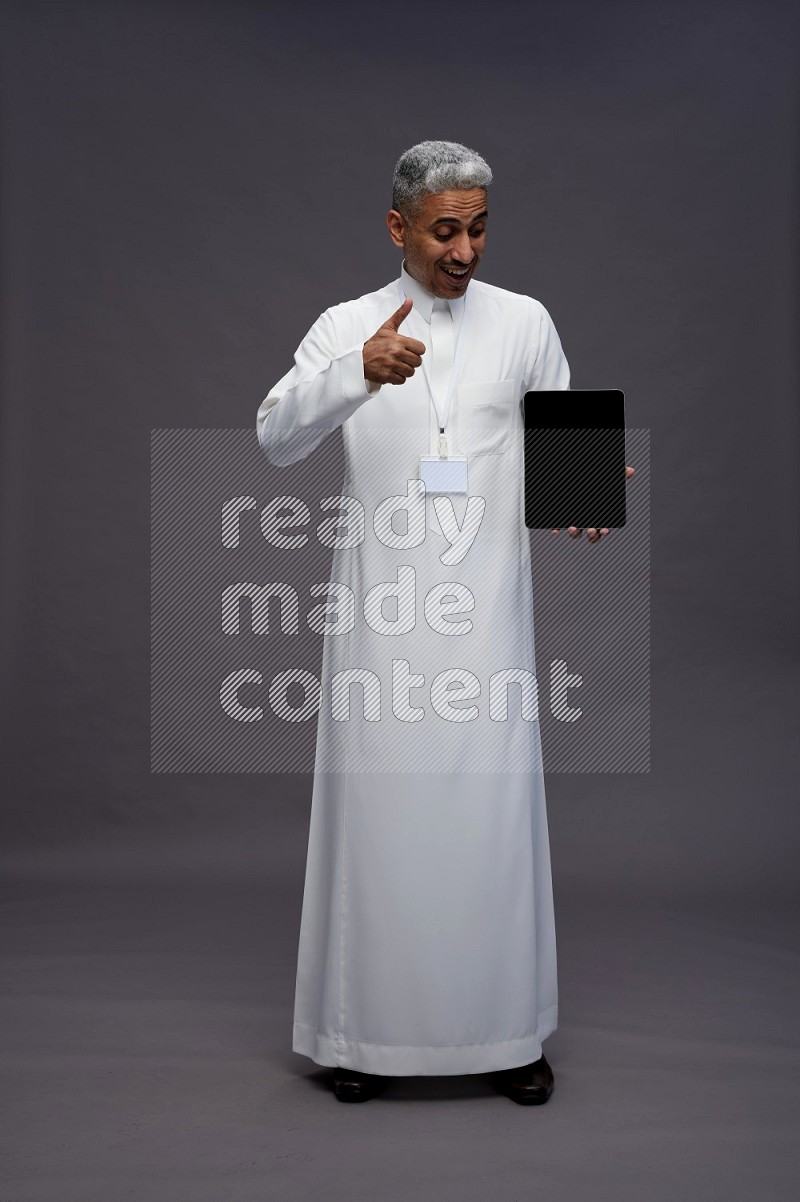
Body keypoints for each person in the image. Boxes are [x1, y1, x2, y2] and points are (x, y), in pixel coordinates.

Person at [256, 141, 629, 1104]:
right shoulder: (345, 324)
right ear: (398, 228)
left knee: (492, 827)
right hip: (381, 627)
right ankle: (363, 1039)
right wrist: (353, 373)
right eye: (445, 229)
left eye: (480, 226)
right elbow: (276, 439)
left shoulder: (524, 322)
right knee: (379, 827)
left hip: (489, 625)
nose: (466, 249)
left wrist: (587, 489)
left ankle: (507, 1036)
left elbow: (563, 445)